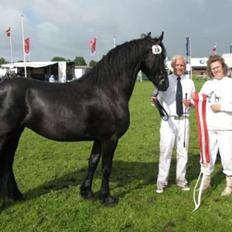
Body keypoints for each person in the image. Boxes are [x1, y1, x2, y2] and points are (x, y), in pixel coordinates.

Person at [151, 55, 195, 193]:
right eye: (177, 65)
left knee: (183, 152)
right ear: (172, 66)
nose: (179, 67)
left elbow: (194, 101)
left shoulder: (190, 82)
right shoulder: (165, 81)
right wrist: (154, 100)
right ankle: (161, 182)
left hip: (184, 120)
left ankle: (181, 181)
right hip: (168, 121)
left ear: (185, 66)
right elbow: (155, 99)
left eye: (182, 65)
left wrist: (191, 103)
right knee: (165, 151)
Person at [199, 55, 232, 196]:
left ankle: (229, 184)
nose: (216, 70)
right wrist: (191, 102)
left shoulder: (230, 83)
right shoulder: (208, 84)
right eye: (213, 68)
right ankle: (206, 179)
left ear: (223, 67)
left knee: (227, 156)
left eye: (217, 67)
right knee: (208, 154)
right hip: (210, 127)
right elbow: (200, 100)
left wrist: (222, 107)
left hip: (226, 127)